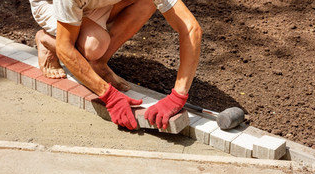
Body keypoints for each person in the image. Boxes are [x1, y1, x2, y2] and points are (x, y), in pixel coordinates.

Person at [29, 0, 202, 131]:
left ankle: (99, 63)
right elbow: (65, 47)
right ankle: (46, 40)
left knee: (148, 2)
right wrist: (109, 95)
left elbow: (190, 28)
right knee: (94, 46)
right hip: (50, 5)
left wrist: (178, 96)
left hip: (92, 4)